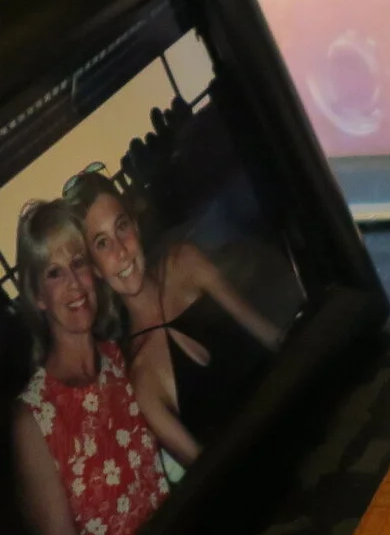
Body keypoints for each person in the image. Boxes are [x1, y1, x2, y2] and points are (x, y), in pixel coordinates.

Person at [8, 201, 172, 535]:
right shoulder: (34, 422)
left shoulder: (123, 359)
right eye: (54, 272)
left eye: (78, 262)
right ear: (37, 295)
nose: (74, 285)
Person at [65, 169, 281, 460]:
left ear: (136, 227)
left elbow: (272, 336)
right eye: (102, 243)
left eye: (122, 227)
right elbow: (206, 476)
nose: (121, 251)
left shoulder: (185, 263)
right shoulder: (141, 378)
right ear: (93, 269)